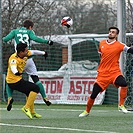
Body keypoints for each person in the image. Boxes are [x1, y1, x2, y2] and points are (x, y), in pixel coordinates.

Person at [79, 26, 133, 117]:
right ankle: (87, 111)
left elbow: (130, 50)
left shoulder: (120, 45)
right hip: (102, 74)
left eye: (113, 32)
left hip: (114, 72)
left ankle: (121, 105)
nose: (110, 33)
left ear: (116, 35)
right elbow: (101, 55)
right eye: (110, 32)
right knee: (94, 94)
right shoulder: (102, 43)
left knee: (123, 84)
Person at [3, 19, 53, 111]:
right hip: (28, 58)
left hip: (17, 58)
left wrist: (6, 40)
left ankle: (9, 97)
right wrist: (47, 42)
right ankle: (45, 97)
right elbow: (35, 39)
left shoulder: (15, 31)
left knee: (9, 79)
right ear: (30, 27)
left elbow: (5, 39)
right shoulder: (30, 32)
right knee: (36, 79)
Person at [6, 42, 48, 119]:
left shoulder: (25, 54)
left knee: (29, 93)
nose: (27, 51)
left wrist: (44, 53)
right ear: (21, 52)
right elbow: (13, 67)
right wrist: (16, 72)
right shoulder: (13, 58)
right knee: (36, 88)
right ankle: (26, 108)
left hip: (17, 80)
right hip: (14, 82)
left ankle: (32, 112)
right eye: (26, 50)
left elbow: (34, 52)